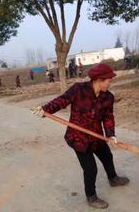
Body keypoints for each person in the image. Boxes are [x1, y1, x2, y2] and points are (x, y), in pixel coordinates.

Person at [32, 63, 129, 209]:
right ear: (99, 80)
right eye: (108, 79)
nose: (110, 82)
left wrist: (111, 135)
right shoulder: (78, 90)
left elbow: (108, 117)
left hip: (96, 135)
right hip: (79, 139)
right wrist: (45, 110)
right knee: (90, 169)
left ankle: (113, 179)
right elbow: (61, 101)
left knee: (107, 157)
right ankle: (91, 197)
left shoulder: (108, 97)